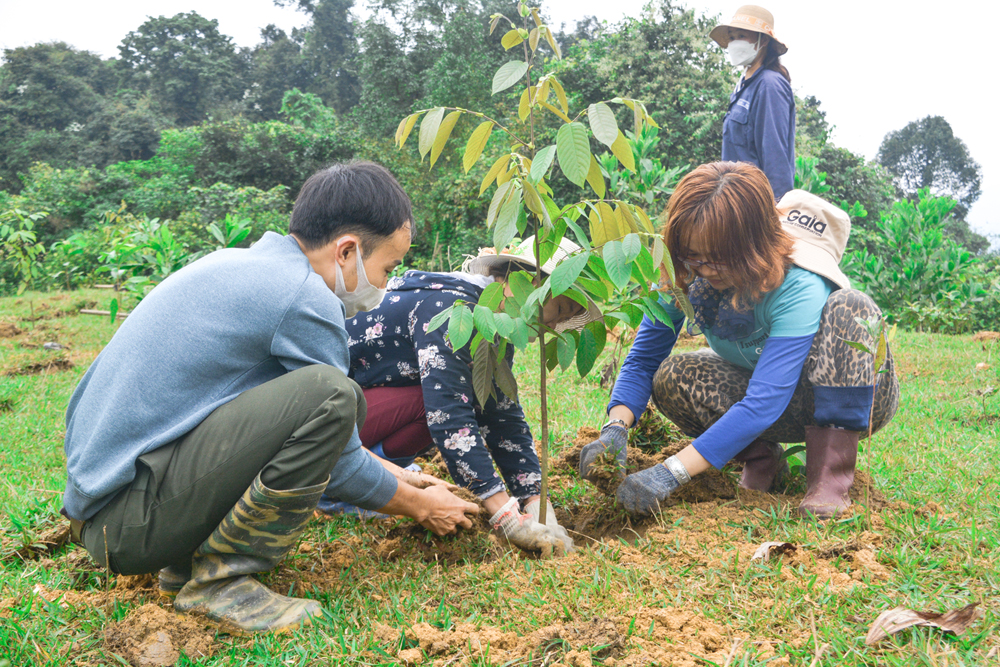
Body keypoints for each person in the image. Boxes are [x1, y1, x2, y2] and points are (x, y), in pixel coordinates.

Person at [61, 161, 479, 634]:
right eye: (388, 267)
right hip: (129, 526)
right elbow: (338, 463)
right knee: (333, 396)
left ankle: (185, 563)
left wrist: (403, 477)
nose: (385, 283)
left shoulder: (238, 264)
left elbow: (270, 430)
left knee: (334, 402)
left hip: (107, 510)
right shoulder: (303, 297)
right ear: (347, 251)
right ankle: (221, 583)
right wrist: (421, 505)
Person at [579, 162, 899, 518]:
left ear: (752, 246)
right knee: (673, 373)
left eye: (719, 258)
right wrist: (615, 428)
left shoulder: (801, 284)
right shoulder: (683, 270)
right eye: (694, 256)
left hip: (850, 399)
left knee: (852, 307)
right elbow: (644, 358)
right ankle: (762, 459)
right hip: (774, 399)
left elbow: (764, 401)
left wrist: (668, 473)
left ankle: (830, 478)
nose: (705, 269)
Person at [321, 236, 603, 557]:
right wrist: (505, 515)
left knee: (460, 396)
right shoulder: (453, 309)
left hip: (366, 408)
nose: (555, 323)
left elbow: (501, 414)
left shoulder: (495, 324)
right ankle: (337, 488)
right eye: (561, 308)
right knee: (439, 401)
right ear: (527, 281)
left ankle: (363, 482)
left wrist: (537, 502)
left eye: (566, 318)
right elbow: (449, 416)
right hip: (324, 420)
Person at [710, 5, 795, 200]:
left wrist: (777, 213)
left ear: (763, 40)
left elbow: (776, 158)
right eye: (731, 37)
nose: (734, 43)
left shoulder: (769, 85)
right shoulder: (743, 85)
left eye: (741, 36)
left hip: (755, 207)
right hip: (735, 203)